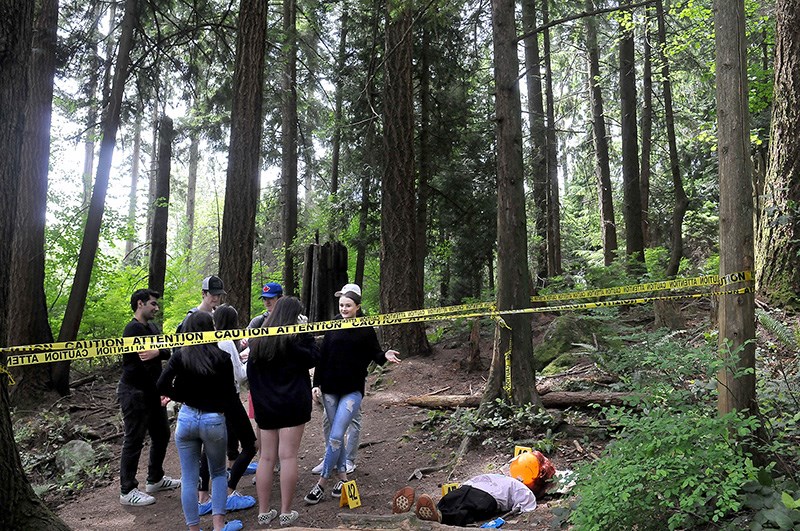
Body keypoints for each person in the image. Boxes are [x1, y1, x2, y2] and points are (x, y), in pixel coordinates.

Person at [304, 283, 401, 504]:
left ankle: (321, 484)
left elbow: (375, 353)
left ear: (357, 307)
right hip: (329, 388)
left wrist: (385, 355)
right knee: (333, 436)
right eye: (341, 305)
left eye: (348, 305)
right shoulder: (334, 324)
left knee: (337, 435)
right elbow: (323, 356)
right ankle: (343, 479)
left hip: (352, 390)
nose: (344, 309)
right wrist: (316, 384)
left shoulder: (366, 327)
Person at [157, 311, 243, 531]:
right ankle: (219, 526)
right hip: (213, 419)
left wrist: (181, 396)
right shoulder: (222, 357)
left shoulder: (180, 356)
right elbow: (229, 394)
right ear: (211, 329)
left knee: (188, 478)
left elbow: (161, 385)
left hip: (186, 418)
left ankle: (193, 529)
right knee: (218, 473)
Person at [248, 297, 320, 526]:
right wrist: (306, 333)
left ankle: (263, 510)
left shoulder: (259, 341)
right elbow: (314, 357)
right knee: (287, 456)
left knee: (266, 458)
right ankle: (286, 511)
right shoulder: (295, 341)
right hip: (292, 406)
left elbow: (251, 374)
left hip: (267, 407)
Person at [118, 288, 181, 506]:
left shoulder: (152, 327)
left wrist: (158, 352)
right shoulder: (132, 329)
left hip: (153, 391)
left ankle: (155, 478)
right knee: (134, 439)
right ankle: (127, 490)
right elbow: (139, 361)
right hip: (134, 392)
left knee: (162, 434)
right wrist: (158, 352)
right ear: (140, 304)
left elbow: (165, 349)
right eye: (153, 304)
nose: (156, 308)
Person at [196, 305, 256, 515]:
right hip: (229, 399)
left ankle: (203, 497)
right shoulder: (227, 342)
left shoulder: (203, 340)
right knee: (250, 445)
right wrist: (249, 361)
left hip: (207, 401)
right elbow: (239, 375)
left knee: (209, 448)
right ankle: (229, 493)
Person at [391, 474, 538, 527]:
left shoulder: (500, 476)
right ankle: (438, 516)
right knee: (465, 510)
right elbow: (527, 506)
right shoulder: (521, 487)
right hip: (487, 497)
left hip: (468, 487)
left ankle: (413, 513)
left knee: (449, 501)